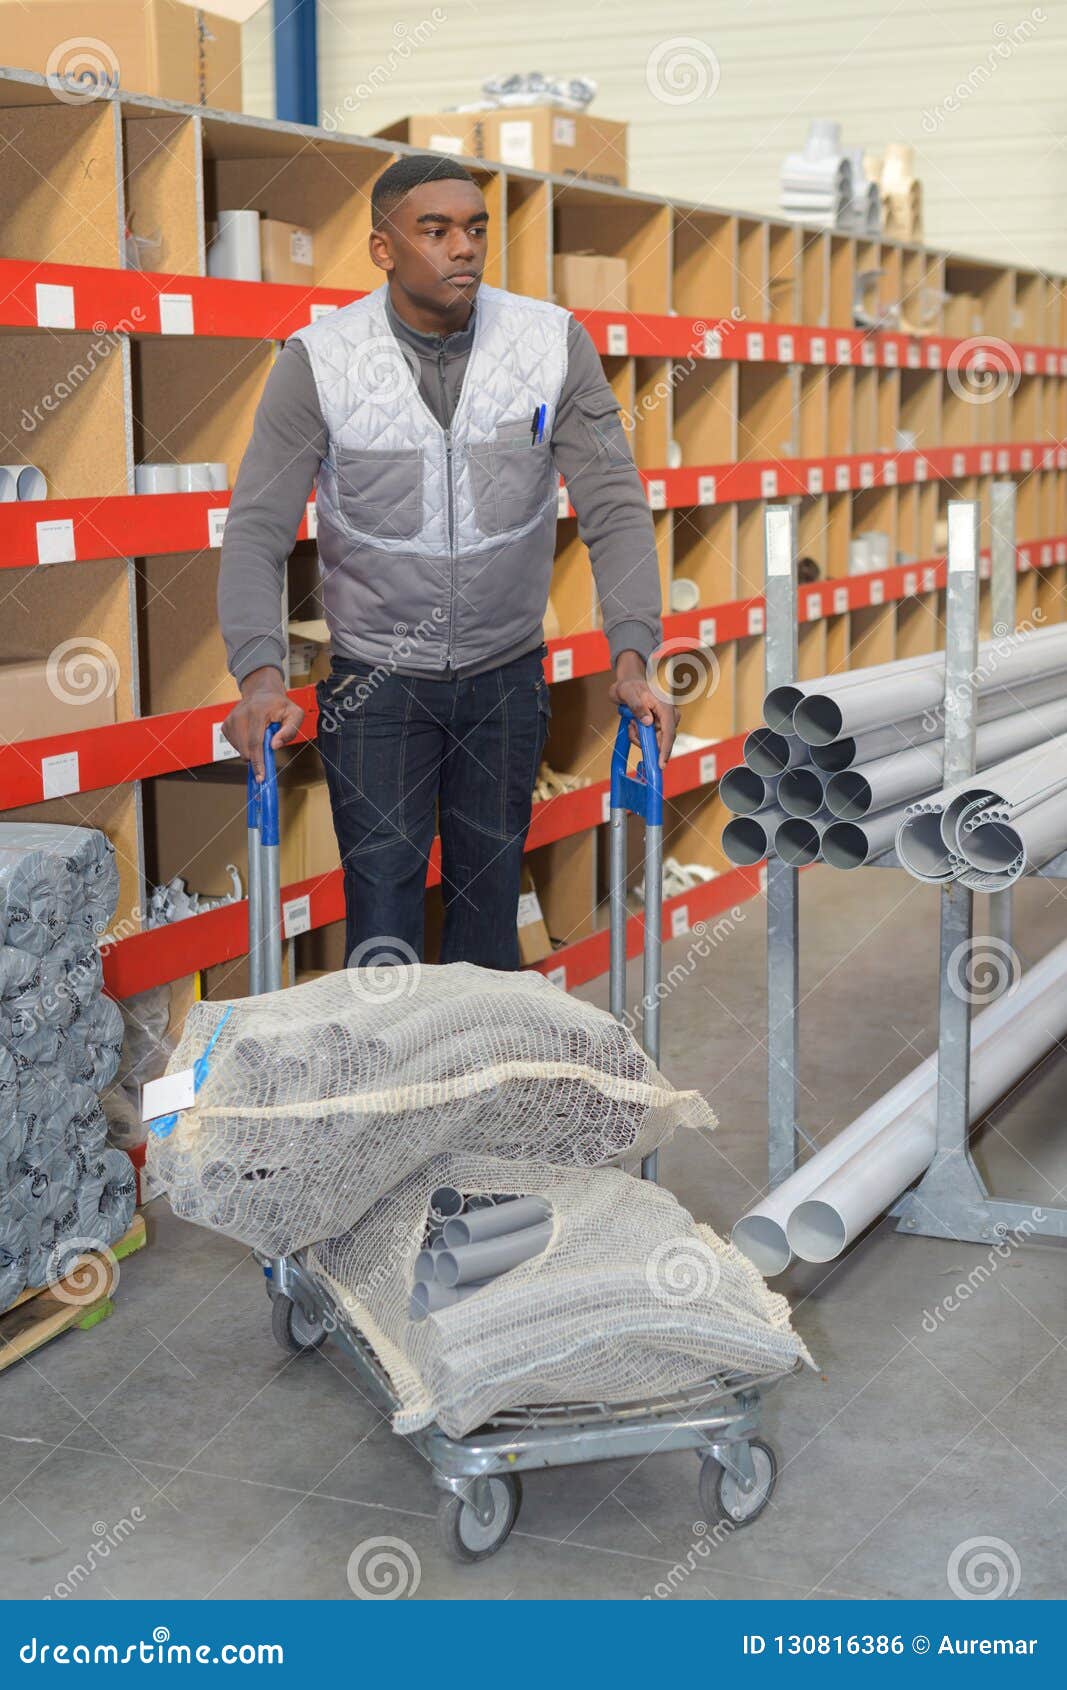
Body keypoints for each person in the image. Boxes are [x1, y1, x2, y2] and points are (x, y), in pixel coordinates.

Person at [218, 152, 676, 969]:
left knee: (489, 904)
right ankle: (394, 1089)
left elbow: (612, 504)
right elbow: (256, 528)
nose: (462, 248)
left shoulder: (549, 343)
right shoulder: (319, 362)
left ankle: (482, 1090)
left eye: (474, 229)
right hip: (377, 681)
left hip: (505, 677)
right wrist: (258, 675)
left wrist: (633, 655)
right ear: (382, 249)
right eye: (433, 231)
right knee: (384, 905)